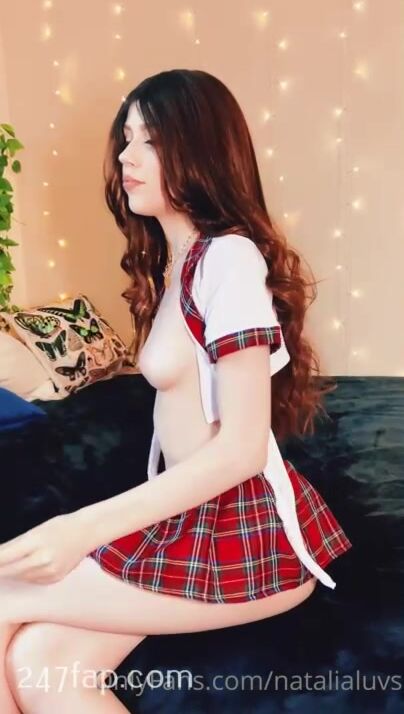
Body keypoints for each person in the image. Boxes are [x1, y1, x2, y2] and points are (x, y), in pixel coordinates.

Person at [0, 69, 352, 712]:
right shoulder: (178, 265)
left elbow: (242, 449)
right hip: (184, 515)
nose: (126, 157)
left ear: (202, 152)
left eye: (151, 141)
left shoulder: (228, 259)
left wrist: (79, 529)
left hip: (241, 526)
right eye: (126, 139)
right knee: (43, 661)